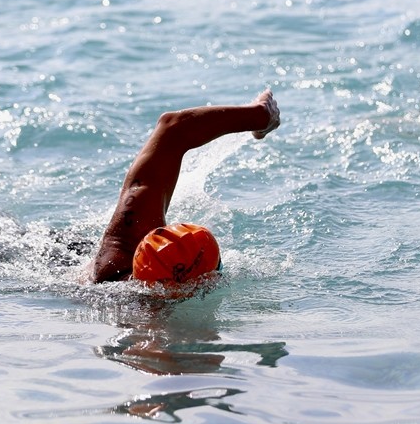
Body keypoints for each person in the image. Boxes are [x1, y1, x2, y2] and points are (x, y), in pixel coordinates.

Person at [90, 88, 281, 283]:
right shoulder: (122, 256)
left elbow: (173, 128)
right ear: (203, 283)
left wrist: (257, 116)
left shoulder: (121, 248)